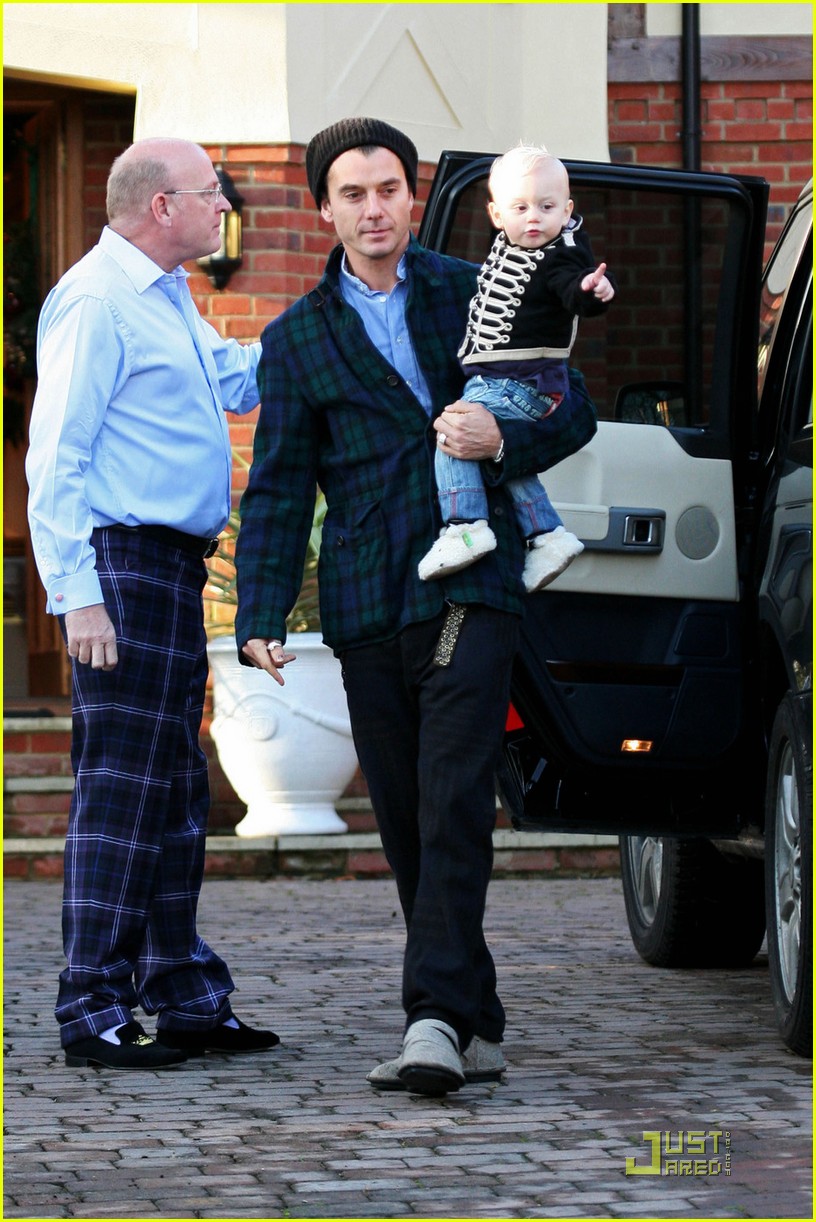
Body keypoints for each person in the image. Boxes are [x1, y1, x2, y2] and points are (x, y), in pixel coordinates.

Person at [234, 118, 597, 1096]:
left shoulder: (479, 287)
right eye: (353, 194)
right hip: (364, 598)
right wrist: (260, 611)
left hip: (473, 581)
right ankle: (475, 1014)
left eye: (388, 189)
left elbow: (571, 406)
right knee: (404, 816)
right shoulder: (296, 338)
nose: (374, 209)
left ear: (413, 194)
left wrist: (499, 443)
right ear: (324, 208)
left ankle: (432, 1018)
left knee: (452, 797)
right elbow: (279, 485)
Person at [26, 137, 279, 1070]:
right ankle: (91, 1008)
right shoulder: (95, 301)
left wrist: (329, 320)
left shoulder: (165, 295)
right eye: (212, 193)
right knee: (122, 790)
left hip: (169, 570)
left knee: (174, 790)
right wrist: (77, 598)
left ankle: (183, 996)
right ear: (162, 206)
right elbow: (56, 454)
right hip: (120, 567)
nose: (224, 207)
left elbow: (236, 380)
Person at [418, 144, 615, 590]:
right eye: (520, 207)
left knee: (453, 433)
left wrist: (592, 290)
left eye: (546, 207)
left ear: (567, 210)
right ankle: (548, 536)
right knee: (503, 458)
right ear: (496, 214)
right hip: (506, 380)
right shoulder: (506, 248)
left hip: (521, 381)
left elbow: (572, 286)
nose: (534, 218)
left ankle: (464, 527)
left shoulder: (562, 254)